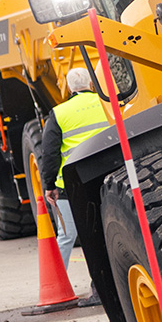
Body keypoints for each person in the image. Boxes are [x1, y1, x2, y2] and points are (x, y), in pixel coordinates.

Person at [38, 66, 113, 273]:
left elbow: (50, 154)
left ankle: (57, 280)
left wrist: (49, 185)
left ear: (69, 89)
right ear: (91, 84)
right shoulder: (107, 103)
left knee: (67, 235)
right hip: (109, 176)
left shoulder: (59, 113)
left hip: (72, 185)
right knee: (105, 234)